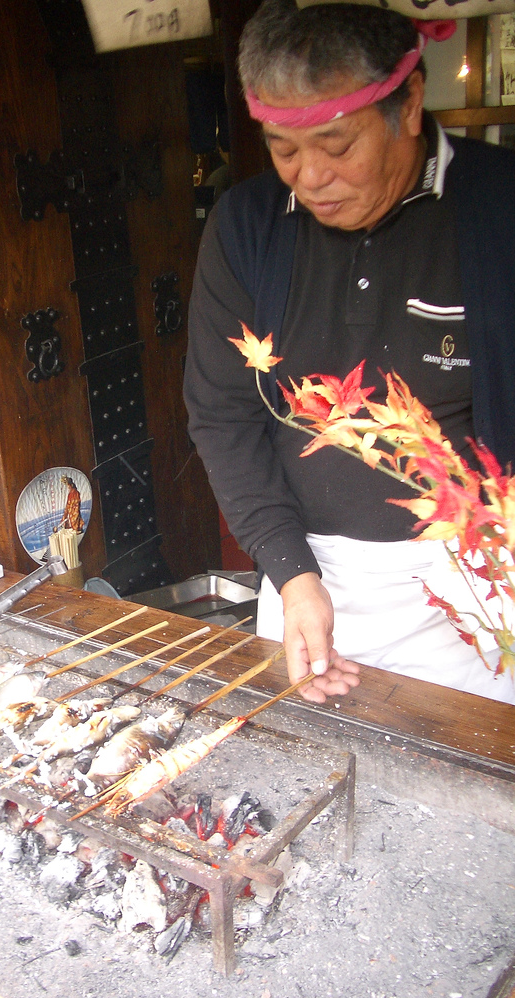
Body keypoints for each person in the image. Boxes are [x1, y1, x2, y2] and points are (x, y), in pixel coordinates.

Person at [183, 0, 515, 705]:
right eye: (283, 148)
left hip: (480, 580)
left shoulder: (500, 208)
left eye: (337, 147)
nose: (310, 176)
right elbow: (222, 415)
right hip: (307, 579)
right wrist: (291, 575)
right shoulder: (248, 228)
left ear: (411, 103)